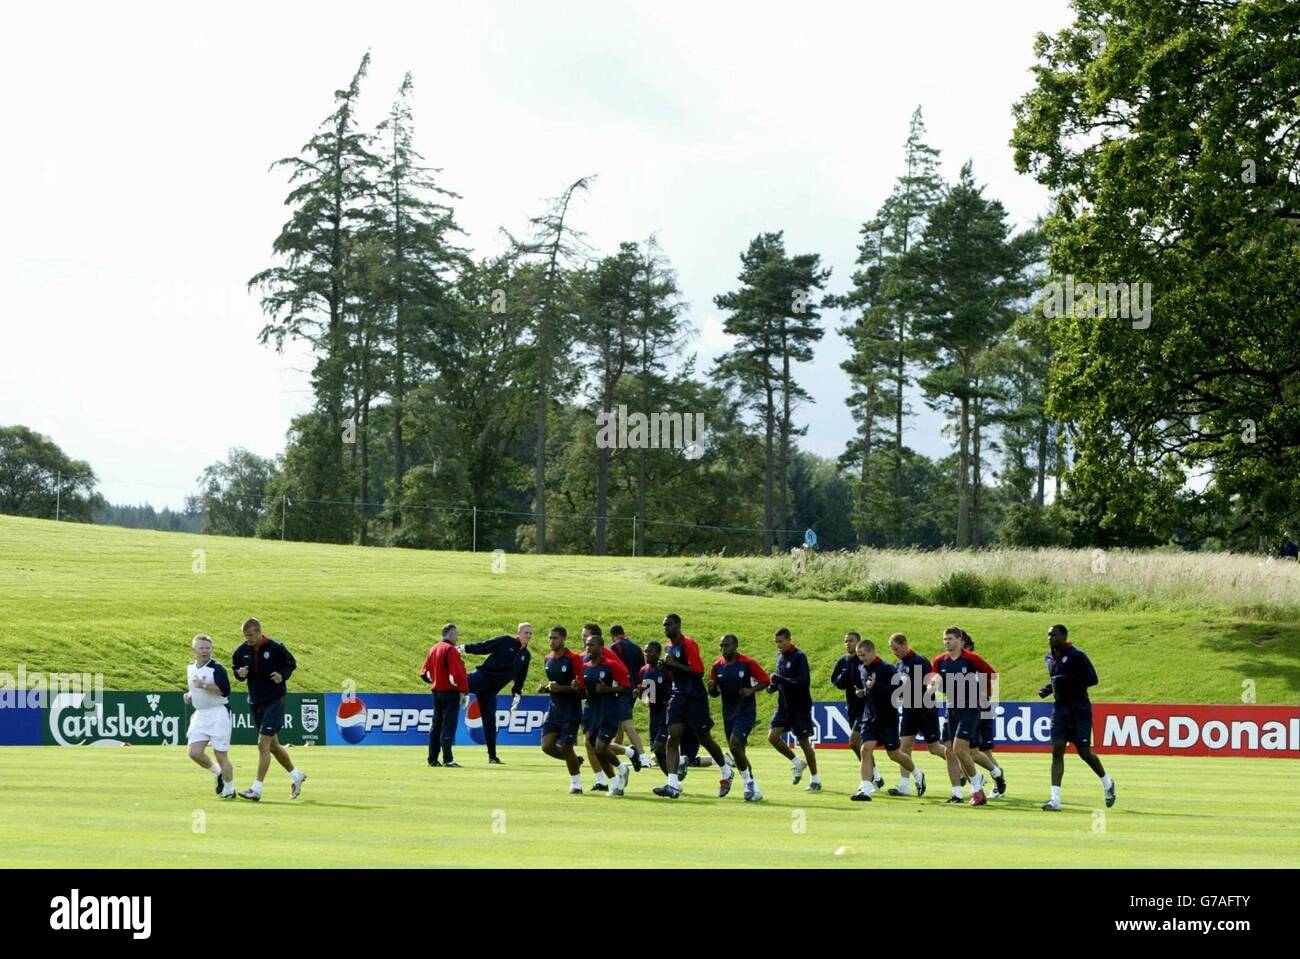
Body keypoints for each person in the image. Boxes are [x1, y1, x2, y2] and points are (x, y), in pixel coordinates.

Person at [653, 613, 733, 799]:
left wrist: (674, 664)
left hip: (695, 697)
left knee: (704, 738)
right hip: (678, 696)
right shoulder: (669, 647)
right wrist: (667, 667)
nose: (666, 628)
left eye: (669, 625)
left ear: (678, 625)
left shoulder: (688, 644)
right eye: (664, 625)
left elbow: (698, 671)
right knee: (673, 738)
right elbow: (676, 673)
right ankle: (673, 785)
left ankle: (726, 771)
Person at [1040, 624, 1115, 811]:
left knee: (1084, 752)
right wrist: (1049, 689)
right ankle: (1055, 799)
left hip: (1079, 710)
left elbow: (1092, 679)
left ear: (1064, 636)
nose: (1050, 638)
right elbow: (1056, 678)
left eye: (1054, 635)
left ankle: (1107, 783)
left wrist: (1067, 682)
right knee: (1057, 750)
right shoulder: (1049, 657)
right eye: (1048, 635)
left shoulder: (1077, 655)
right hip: (1059, 710)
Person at [231, 619, 306, 801]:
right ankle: (297, 775)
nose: (247, 639)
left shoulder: (275, 647)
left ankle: (256, 789)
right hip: (256, 701)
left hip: (275, 700)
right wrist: (239, 673)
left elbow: (291, 663)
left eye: (250, 635)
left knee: (262, 744)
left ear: (259, 632)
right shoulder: (241, 651)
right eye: (245, 636)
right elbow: (236, 668)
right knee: (272, 745)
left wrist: (282, 675)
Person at [928, 627, 995, 807]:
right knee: (951, 750)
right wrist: (932, 687)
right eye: (944, 639)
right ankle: (960, 791)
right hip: (951, 708)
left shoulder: (971, 659)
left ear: (959, 640)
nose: (947, 642)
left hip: (971, 708)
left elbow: (991, 675)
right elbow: (933, 681)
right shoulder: (939, 660)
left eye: (950, 638)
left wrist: (984, 696)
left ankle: (977, 789)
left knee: (959, 749)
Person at [850, 638, 917, 801]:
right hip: (870, 718)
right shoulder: (862, 669)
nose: (861, 658)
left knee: (894, 754)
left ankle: (917, 773)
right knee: (865, 749)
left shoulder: (887, 668)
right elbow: (870, 691)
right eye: (859, 655)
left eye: (863, 655)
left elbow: (898, 691)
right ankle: (865, 789)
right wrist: (863, 693)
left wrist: (876, 687)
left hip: (888, 718)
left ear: (873, 652)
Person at [708, 634, 769, 801]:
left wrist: (751, 690)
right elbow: (713, 693)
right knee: (739, 752)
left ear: (735, 646)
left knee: (735, 745)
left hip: (745, 712)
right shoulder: (717, 666)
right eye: (721, 646)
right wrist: (711, 688)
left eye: (726, 645)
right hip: (728, 714)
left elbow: (765, 680)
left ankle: (748, 783)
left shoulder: (747, 663)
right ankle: (754, 789)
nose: (723, 649)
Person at [460, 623, 533, 764]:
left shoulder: (526, 656)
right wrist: (463, 648)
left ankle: (492, 756)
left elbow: (521, 677)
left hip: (491, 690)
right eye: (526, 632)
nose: (528, 636)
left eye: (530, 633)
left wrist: (516, 694)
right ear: (519, 633)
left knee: (490, 723)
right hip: (481, 677)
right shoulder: (506, 641)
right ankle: (462, 694)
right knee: (460, 683)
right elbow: (484, 646)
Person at [580, 628, 633, 796]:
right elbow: (583, 692)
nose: (588, 648)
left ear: (601, 647)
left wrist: (607, 689)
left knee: (601, 747)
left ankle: (621, 768)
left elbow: (626, 687)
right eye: (587, 645)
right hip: (592, 712)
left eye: (592, 645)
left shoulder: (611, 665)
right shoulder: (585, 667)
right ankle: (615, 783)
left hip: (609, 711)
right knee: (594, 747)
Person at [767, 628, 821, 791]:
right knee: (772, 737)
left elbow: (803, 682)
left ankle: (815, 780)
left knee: (804, 743)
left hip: (800, 706)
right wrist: (774, 687)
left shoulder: (799, 656)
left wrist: (780, 680)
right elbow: (782, 682)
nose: (778, 645)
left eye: (781, 641)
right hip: (783, 706)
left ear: (789, 640)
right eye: (776, 642)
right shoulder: (780, 657)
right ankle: (797, 763)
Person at [888, 632, 941, 796]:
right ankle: (904, 786)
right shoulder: (899, 663)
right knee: (904, 748)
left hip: (925, 709)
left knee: (934, 747)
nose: (895, 652)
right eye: (892, 650)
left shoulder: (920, 660)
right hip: (910, 710)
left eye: (896, 649)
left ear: (904, 644)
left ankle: (961, 769)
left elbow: (931, 681)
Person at [184, 634, 234, 800]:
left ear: (211, 649)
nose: (204, 651)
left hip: (218, 713)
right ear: (194, 650)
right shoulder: (191, 668)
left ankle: (229, 789)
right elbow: (195, 686)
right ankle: (218, 773)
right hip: (200, 714)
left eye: (207, 648)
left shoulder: (217, 668)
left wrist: (204, 685)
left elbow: (225, 690)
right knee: (194, 752)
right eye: (201, 648)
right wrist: (191, 694)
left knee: (221, 754)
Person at [538, 625, 586, 794]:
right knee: (547, 746)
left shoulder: (573, 658)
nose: (551, 641)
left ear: (563, 639)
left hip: (571, 711)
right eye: (550, 638)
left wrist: (561, 688)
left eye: (555, 638)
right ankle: (575, 760)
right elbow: (554, 685)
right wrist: (546, 689)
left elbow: (581, 689)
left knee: (566, 747)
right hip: (554, 710)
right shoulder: (547, 659)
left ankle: (576, 784)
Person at [960, 631, 1007, 797]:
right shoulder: (959, 661)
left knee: (984, 750)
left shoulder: (972, 661)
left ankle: (997, 781)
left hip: (981, 705)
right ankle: (978, 779)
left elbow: (992, 677)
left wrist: (990, 703)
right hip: (968, 707)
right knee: (966, 748)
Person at [420, 623, 468, 768]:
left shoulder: (433, 648)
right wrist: (464, 690)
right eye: (456, 634)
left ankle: (432, 759)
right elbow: (458, 673)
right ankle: (448, 759)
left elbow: (423, 673)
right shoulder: (450, 650)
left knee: (436, 725)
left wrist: (434, 681)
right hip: (450, 693)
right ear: (451, 634)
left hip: (436, 692)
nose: (457, 637)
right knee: (449, 725)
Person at [607, 625, 651, 770]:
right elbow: (642, 669)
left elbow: (613, 669)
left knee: (627, 725)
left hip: (620, 690)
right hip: (633, 690)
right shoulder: (636, 648)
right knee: (618, 726)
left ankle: (643, 757)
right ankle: (610, 755)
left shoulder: (614, 647)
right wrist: (639, 687)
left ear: (612, 635)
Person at [831, 631, 865, 760]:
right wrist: (843, 677)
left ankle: (869, 776)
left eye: (851, 640)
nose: (848, 644)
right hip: (852, 707)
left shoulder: (864, 660)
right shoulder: (843, 661)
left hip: (867, 707)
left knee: (854, 742)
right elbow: (836, 682)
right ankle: (875, 775)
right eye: (846, 641)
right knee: (860, 745)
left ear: (858, 643)